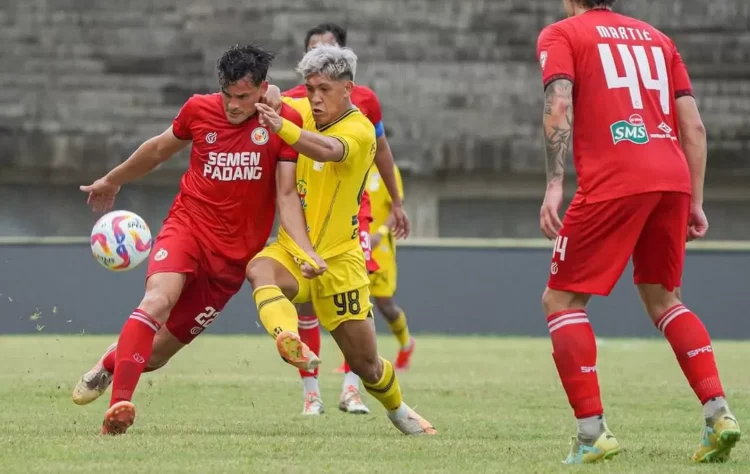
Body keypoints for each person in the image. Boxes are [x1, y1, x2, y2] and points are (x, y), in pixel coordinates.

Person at [71, 44, 319, 435]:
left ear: (262, 90)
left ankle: (108, 364)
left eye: (243, 97)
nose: (233, 105)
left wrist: (305, 250)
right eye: (227, 95)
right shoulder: (198, 110)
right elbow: (156, 150)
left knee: (155, 354)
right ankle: (121, 404)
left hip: (233, 261)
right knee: (157, 300)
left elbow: (286, 195)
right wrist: (112, 179)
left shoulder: (281, 121)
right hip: (187, 228)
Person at [536, 0, 740, 464]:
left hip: (614, 179)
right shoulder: (659, 39)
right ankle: (719, 414)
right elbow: (695, 126)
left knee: (561, 300)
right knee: (665, 298)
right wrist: (695, 199)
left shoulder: (563, 33)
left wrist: (553, 184)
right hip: (671, 178)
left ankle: (591, 433)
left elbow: (559, 104)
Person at [246, 44, 436, 435]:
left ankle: (400, 411)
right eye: (310, 88)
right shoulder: (305, 112)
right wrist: (276, 95)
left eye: (324, 89)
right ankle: (287, 339)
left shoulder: (360, 129)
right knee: (259, 268)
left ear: (348, 88)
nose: (314, 98)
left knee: (366, 364)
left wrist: (282, 125)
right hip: (295, 250)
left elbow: (328, 149)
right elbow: (278, 98)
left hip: (340, 261)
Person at [282, 22, 416, 416]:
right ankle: (311, 392)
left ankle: (352, 387)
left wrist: (397, 201)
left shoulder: (365, 104)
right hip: (307, 213)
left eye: (329, 48)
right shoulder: (293, 101)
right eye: (313, 50)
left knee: (357, 301)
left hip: (351, 216)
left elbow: (381, 151)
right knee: (306, 308)